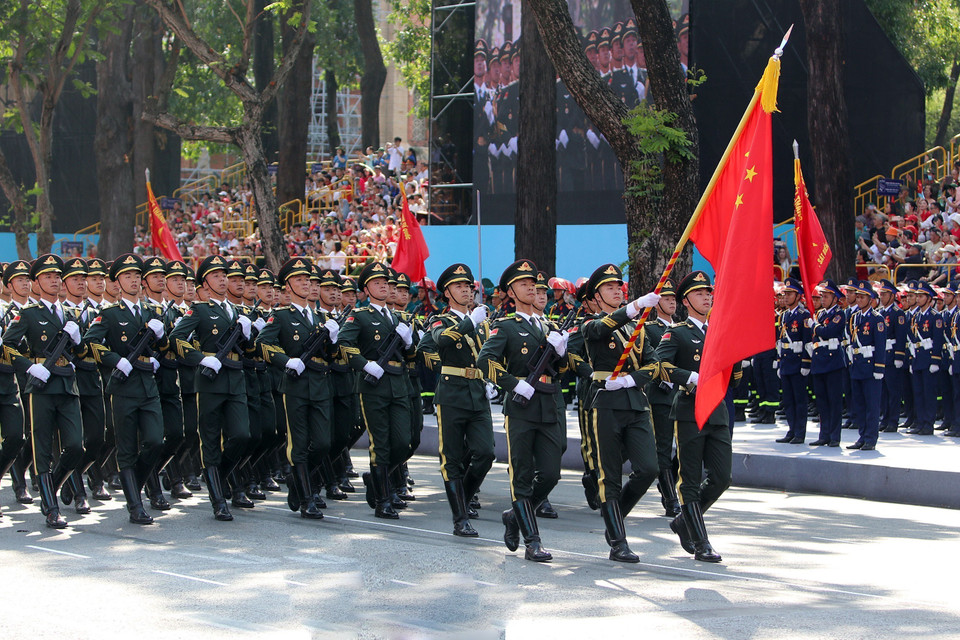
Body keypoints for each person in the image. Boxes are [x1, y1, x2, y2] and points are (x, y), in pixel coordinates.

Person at [476, 259, 572, 562]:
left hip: (548, 403)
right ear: (511, 293)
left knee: (551, 474)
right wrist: (512, 384)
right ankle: (533, 542)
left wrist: (562, 351)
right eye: (523, 284)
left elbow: (562, 370)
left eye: (533, 284)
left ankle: (515, 516)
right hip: (521, 406)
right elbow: (485, 361)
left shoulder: (550, 327)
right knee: (522, 473)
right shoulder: (505, 327)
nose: (531, 288)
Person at [656, 271, 740, 563]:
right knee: (690, 478)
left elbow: (735, 377)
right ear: (686, 301)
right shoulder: (677, 333)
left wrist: (736, 352)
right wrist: (689, 377)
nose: (706, 298)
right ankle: (700, 540)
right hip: (690, 410)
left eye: (708, 293)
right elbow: (658, 364)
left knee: (722, 477)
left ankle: (684, 522)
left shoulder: (719, 331)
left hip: (716, 410)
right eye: (699, 293)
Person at [580, 264, 662, 562]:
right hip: (605, 403)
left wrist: (630, 380)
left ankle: (615, 517)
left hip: (635, 401)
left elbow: (654, 364)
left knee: (649, 468)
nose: (616, 291)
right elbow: (602, 329)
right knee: (609, 474)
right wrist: (635, 306)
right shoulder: (590, 324)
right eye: (609, 288)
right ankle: (618, 541)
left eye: (619, 287)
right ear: (596, 297)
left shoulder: (635, 330)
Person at [80, 254, 168, 525]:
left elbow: (164, 348)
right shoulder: (109, 314)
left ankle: (134, 486)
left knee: (155, 441)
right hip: (123, 387)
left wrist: (161, 337)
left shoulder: (152, 312)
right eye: (127, 276)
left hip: (148, 386)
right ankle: (135, 506)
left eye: (136, 276)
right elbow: (91, 342)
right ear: (117, 282)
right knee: (127, 447)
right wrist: (115, 360)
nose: (133, 281)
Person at [2, 255, 85, 529]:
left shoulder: (70, 314)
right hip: (42, 387)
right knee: (42, 448)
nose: (54, 280)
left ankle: (55, 484)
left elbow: (82, 351)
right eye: (47, 277)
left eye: (57, 276)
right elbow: (7, 345)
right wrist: (29, 367)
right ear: (37, 283)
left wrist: (78, 340)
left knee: (76, 446)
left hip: (68, 385)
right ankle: (51, 508)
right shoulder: (29, 314)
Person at [168, 255, 254, 521]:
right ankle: (218, 500)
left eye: (224, 275)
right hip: (210, 381)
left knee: (241, 435)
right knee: (210, 440)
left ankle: (220, 477)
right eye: (216, 276)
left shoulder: (237, 312)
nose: (222, 279)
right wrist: (200, 358)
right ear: (204, 283)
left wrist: (249, 334)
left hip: (235, 379)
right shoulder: (200, 310)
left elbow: (248, 349)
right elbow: (176, 338)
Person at [256, 258, 341, 519]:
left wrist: (333, 339)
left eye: (308, 280)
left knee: (324, 443)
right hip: (295, 385)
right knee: (300, 444)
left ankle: (297, 480)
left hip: (320, 384)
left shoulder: (322, 318)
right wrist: (286, 361)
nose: (305, 284)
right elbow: (263, 343)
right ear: (287, 286)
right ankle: (306, 497)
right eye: (299, 280)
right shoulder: (281, 316)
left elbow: (332, 355)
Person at [419, 263, 497, 537]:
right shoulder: (440, 320)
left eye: (468, 286)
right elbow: (441, 340)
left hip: (477, 392)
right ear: (447, 293)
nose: (466, 291)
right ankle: (460, 518)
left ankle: (462, 495)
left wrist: (492, 380)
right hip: (452, 393)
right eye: (458, 286)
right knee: (451, 456)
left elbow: (490, 354)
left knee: (486, 453)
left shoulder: (482, 323)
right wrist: (470, 322)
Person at [338, 261, 416, 519]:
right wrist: (365, 365)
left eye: (386, 283)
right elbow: (344, 343)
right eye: (377, 283)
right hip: (374, 385)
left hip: (398, 384)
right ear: (366, 290)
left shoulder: (398, 318)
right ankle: (383, 499)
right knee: (380, 443)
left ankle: (376, 479)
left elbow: (411, 355)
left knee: (403, 442)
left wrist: (409, 342)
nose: (384, 286)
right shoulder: (360, 316)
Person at [643, 279, 682, 517]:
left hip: (682, 394)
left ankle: (670, 482)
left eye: (673, 299)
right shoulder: (650, 329)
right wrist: (662, 379)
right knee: (664, 447)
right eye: (666, 299)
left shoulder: (683, 328)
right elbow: (650, 359)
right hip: (661, 394)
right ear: (657, 304)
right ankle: (670, 497)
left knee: (685, 446)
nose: (671, 303)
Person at [846, 281, 887, 450]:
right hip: (857, 365)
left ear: (870, 299)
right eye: (858, 296)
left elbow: (881, 345)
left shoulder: (877, 319)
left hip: (870, 367)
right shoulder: (855, 317)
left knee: (872, 405)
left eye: (863, 297)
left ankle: (870, 438)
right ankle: (862, 436)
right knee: (860, 404)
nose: (859, 299)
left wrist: (879, 368)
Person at [808, 280, 847, 447]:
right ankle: (824, 434)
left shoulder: (839, 314)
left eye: (826, 296)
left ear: (835, 298)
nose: (823, 299)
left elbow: (828, 331)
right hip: (819, 361)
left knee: (834, 401)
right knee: (822, 401)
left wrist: (815, 326)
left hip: (833, 362)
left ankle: (834, 436)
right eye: (822, 296)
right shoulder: (820, 315)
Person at [775, 278, 811, 444]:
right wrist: (779, 361)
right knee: (788, 400)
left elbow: (807, 341)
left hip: (797, 362)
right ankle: (791, 429)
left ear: (798, 296)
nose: (786, 297)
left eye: (790, 294)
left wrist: (806, 362)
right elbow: (781, 341)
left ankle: (800, 432)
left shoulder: (804, 315)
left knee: (799, 399)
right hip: (786, 361)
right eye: (786, 294)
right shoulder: (784, 316)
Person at [876, 279, 907, 433]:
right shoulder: (880, 313)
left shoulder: (898, 313)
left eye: (884, 294)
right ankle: (885, 418)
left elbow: (901, 337)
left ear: (892, 295)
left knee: (893, 391)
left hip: (892, 355)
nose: (881, 297)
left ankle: (893, 421)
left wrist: (899, 356)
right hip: (882, 356)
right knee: (883, 391)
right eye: (881, 294)